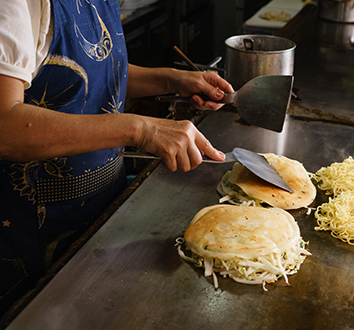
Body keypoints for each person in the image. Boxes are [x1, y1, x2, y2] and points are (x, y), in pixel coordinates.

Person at [0, 0, 234, 316]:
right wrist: (140, 128)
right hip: (31, 232)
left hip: (101, 211)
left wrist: (167, 80)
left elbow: (90, 75)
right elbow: (5, 125)